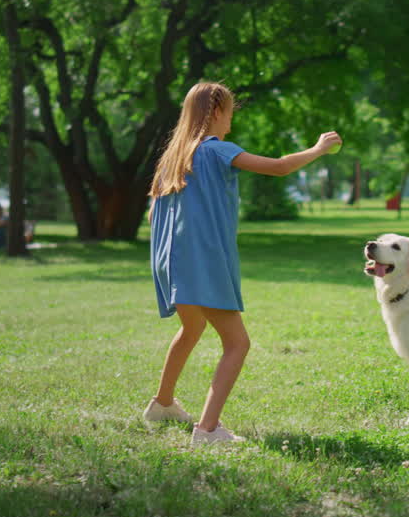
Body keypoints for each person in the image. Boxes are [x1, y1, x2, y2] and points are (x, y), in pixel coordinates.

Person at [143, 82, 341, 445]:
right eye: (231, 112)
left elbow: (156, 214)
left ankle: (163, 404)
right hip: (202, 262)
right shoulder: (217, 150)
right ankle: (207, 430)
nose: (232, 120)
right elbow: (279, 167)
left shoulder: (171, 159)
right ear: (216, 111)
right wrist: (317, 149)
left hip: (172, 263)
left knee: (191, 329)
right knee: (237, 344)